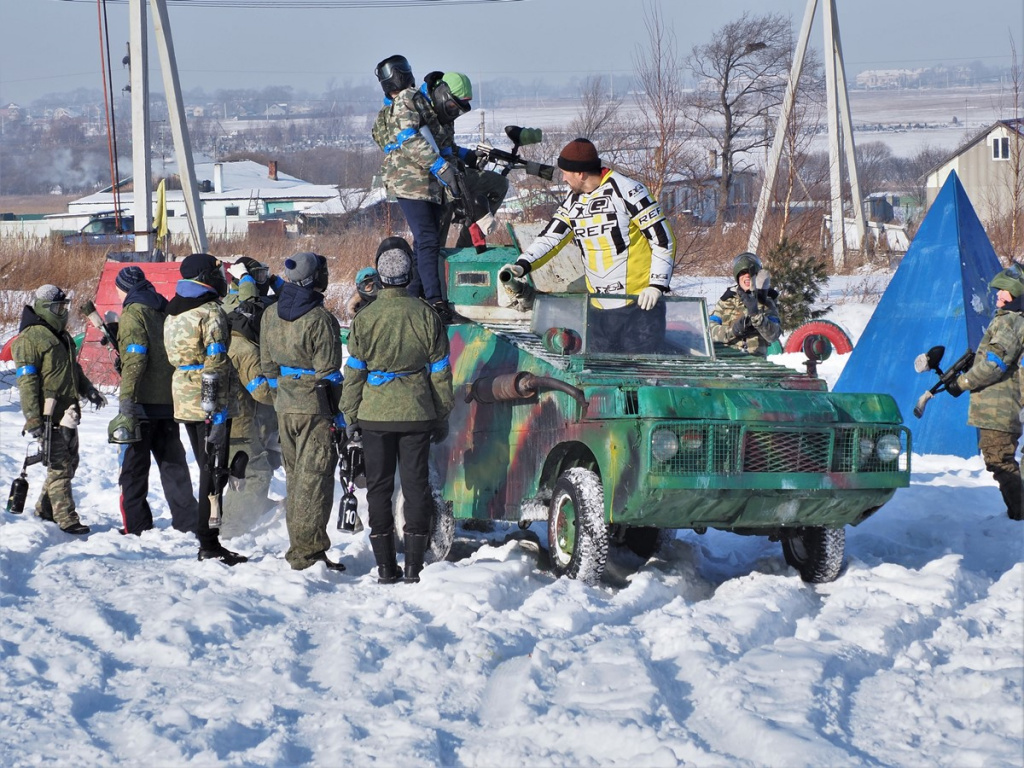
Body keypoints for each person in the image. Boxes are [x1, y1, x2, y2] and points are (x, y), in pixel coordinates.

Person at [341, 238, 455, 584]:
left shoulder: (365, 318)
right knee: (416, 485)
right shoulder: (426, 315)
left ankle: (386, 568)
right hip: (417, 413)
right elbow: (440, 373)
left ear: (380, 275)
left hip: (374, 415)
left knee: (378, 488)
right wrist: (441, 413)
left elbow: (354, 372)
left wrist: (350, 415)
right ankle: (414, 567)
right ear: (409, 274)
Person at [500, 138, 676, 353]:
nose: (562, 177)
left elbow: (662, 239)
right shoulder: (575, 199)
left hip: (639, 306)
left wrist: (657, 284)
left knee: (637, 374)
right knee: (597, 373)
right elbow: (551, 237)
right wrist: (522, 265)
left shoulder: (628, 190)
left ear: (580, 173)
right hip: (599, 308)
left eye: (565, 172)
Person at [260, 251, 347, 571]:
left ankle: (301, 546)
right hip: (315, 409)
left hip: (285, 406)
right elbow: (330, 375)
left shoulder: (270, 315)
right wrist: (338, 416)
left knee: (297, 479)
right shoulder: (320, 319)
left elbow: (267, 367)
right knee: (316, 480)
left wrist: (282, 396)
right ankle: (307, 553)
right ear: (314, 279)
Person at [164, 253, 249, 565]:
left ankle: (209, 536)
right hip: (208, 401)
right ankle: (209, 542)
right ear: (205, 277)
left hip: (184, 397)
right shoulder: (210, 311)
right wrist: (213, 405)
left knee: (208, 468)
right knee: (212, 473)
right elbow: (215, 361)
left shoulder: (173, 309)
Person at [107, 266, 199, 536]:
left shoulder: (134, 313)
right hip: (169, 402)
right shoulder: (165, 309)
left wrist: (126, 401)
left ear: (122, 288)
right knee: (174, 467)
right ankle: (187, 521)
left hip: (141, 405)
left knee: (133, 471)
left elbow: (136, 359)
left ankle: (136, 526)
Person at [371, 54, 461, 323]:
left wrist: (451, 164)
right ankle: (434, 299)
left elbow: (436, 139)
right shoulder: (405, 101)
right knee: (428, 239)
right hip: (411, 182)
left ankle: (416, 292)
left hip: (424, 182)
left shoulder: (408, 100)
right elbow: (407, 139)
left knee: (425, 241)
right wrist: (441, 167)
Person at [12, 284, 106, 534]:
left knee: (70, 462)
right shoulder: (30, 339)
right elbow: (27, 381)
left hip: (69, 413)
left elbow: (73, 369)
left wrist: (89, 390)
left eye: (64, 306)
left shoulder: (61, 335)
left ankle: (45, 509)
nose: (62, 311)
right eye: (57, 307)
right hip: (48, 414)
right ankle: (66, 517)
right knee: (60, 466)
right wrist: (33, 419)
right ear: (44, 308)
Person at [947, 262, 1024, 520]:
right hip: (1001, 406)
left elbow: (995, 365)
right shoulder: (1010, 320)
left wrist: (963, 383)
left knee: (999, 460)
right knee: (1001, 460)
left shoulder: (1011, 321)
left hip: (998, 408)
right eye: (999, 290)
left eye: (1006, 292)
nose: (999, 295)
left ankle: (1019, 518)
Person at [422, 71, 509, 251]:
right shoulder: (417, 109)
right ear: (442, 94)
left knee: (497, 184)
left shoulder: (445, 115)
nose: (454, 112)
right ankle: (435, 263)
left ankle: (466, 247)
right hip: (425, 178)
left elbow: (447, 146)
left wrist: (467, 156)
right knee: (438, 222)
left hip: (453, 173)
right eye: (453, 106)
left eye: (458, 109)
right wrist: (441, 169)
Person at [220, 296, 278, 538]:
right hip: (240, 425)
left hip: (223, 422)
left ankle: (233, 517)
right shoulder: (247, 350)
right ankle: (235, 527)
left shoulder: (227, 340)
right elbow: (262, 392)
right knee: (255, 473)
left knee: (237, 472)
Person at [709, 252, 782, 356]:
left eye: (750, 273)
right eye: (743, 273)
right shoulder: (726, 301)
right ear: (738, 277)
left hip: (755, 363)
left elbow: (773, 335)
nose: (747, 276)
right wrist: (734, 330)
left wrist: (756, 316)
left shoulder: (767, 303)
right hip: (726, 359)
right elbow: (710, 331)